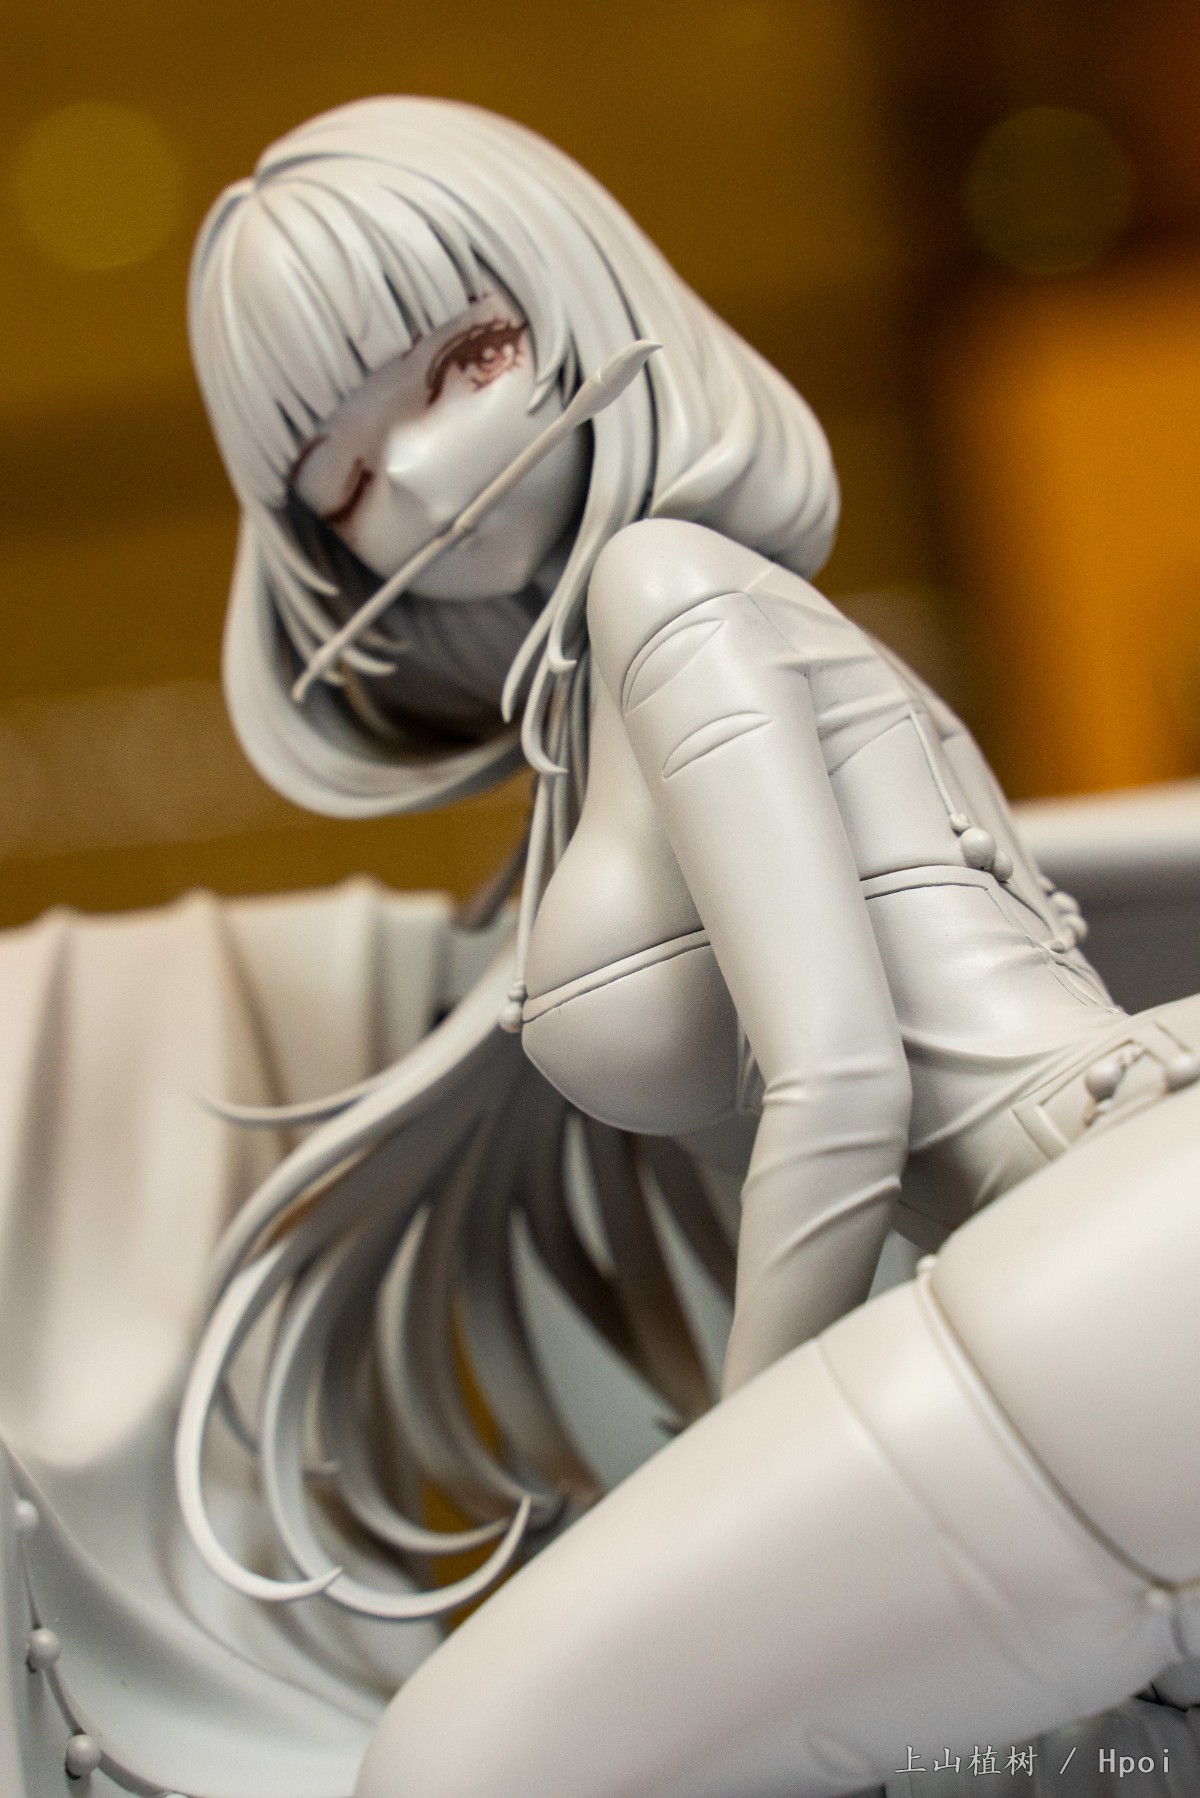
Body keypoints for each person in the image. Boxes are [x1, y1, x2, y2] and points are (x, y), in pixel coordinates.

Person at [183, 94, 1200, 1797]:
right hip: (1052, 1257)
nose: (417, 477)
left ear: (579, 296)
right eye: (341, 479)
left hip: (1082, 1214)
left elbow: (841, 1089)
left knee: (465, 1761)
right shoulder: (596, 704)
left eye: (467, 361)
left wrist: (734, 1476)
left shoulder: (666, 587)